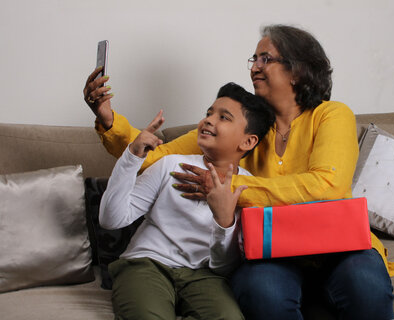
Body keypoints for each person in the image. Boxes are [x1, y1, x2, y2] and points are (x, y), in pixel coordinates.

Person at [84, 24, 394, 320]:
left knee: (365, 284)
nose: (254, 67)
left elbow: (327, 186)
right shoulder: (240, 130)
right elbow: (158, 157)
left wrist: (229, 188)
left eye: (266, 58)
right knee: (261, 292)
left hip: (338, 245)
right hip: (272, 252)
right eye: (254, 58)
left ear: (299, 70)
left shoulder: (332, 115)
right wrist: (110, 121)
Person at [98, 82, 275, 320]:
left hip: (204, 277)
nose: (209, 120)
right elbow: (112, 220)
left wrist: (224, 221)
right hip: (147, 265)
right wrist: (132, 156)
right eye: (209, 113)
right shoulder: (170, 165)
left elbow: (224, 267)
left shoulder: (250, 189)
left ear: (248, 142)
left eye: (224, 117)